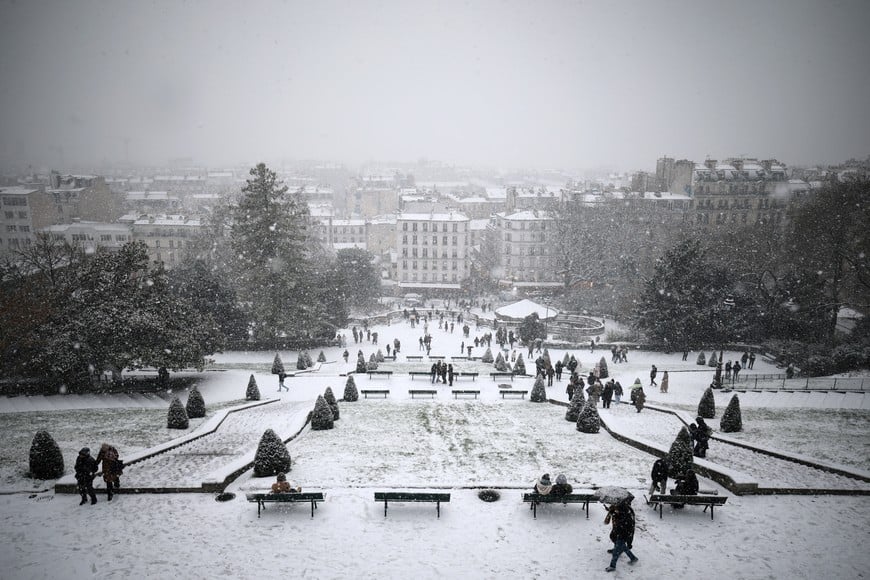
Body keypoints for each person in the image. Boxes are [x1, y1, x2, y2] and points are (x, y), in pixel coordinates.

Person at [604, 498, 638, 572]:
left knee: (617, 548)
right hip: (621, 530)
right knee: (620, 544)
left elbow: (621, 519)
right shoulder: (623, 508)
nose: (613, 504)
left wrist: (613, 512)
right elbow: (618, 516)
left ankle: (612, 566)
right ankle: (633, 558)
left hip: (624, 531)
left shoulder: (625, 510)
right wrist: (611, 511)